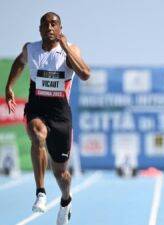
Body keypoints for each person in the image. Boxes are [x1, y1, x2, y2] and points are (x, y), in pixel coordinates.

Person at [5, 12, 90, 225]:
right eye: (45, 24)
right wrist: (9, 86)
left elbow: (85, 74)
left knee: (62, 175)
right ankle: (40, 192)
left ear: (60, 28)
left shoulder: (71, 49)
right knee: (37, 133)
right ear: (40, 29)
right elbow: (19, 62)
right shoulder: (31, 49)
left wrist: (66, 48)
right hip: (37, 108)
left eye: (54, 24)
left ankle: (65, 201)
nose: (49, 27)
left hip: (60, 114)